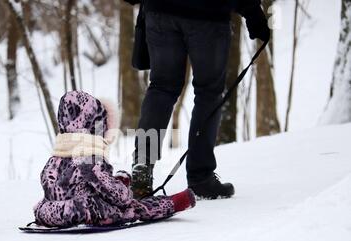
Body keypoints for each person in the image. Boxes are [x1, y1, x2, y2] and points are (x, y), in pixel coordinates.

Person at [125, 0, 271, 199]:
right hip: (207, 15)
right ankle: (201, 178)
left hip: (160, 12)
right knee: (208, 93)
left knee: (161, 88)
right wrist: (253, 12)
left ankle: (142, 165)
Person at [33, 91, 196, 228]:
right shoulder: (89, 161)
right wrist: (124, 191)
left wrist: (113, 181)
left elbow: (60, 186)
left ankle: (118, 182)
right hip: (86, 212)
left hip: (49, 213)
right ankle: (172, 203)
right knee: (133, 208)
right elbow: (120, 198)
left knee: (108, 188)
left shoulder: (54, 160)